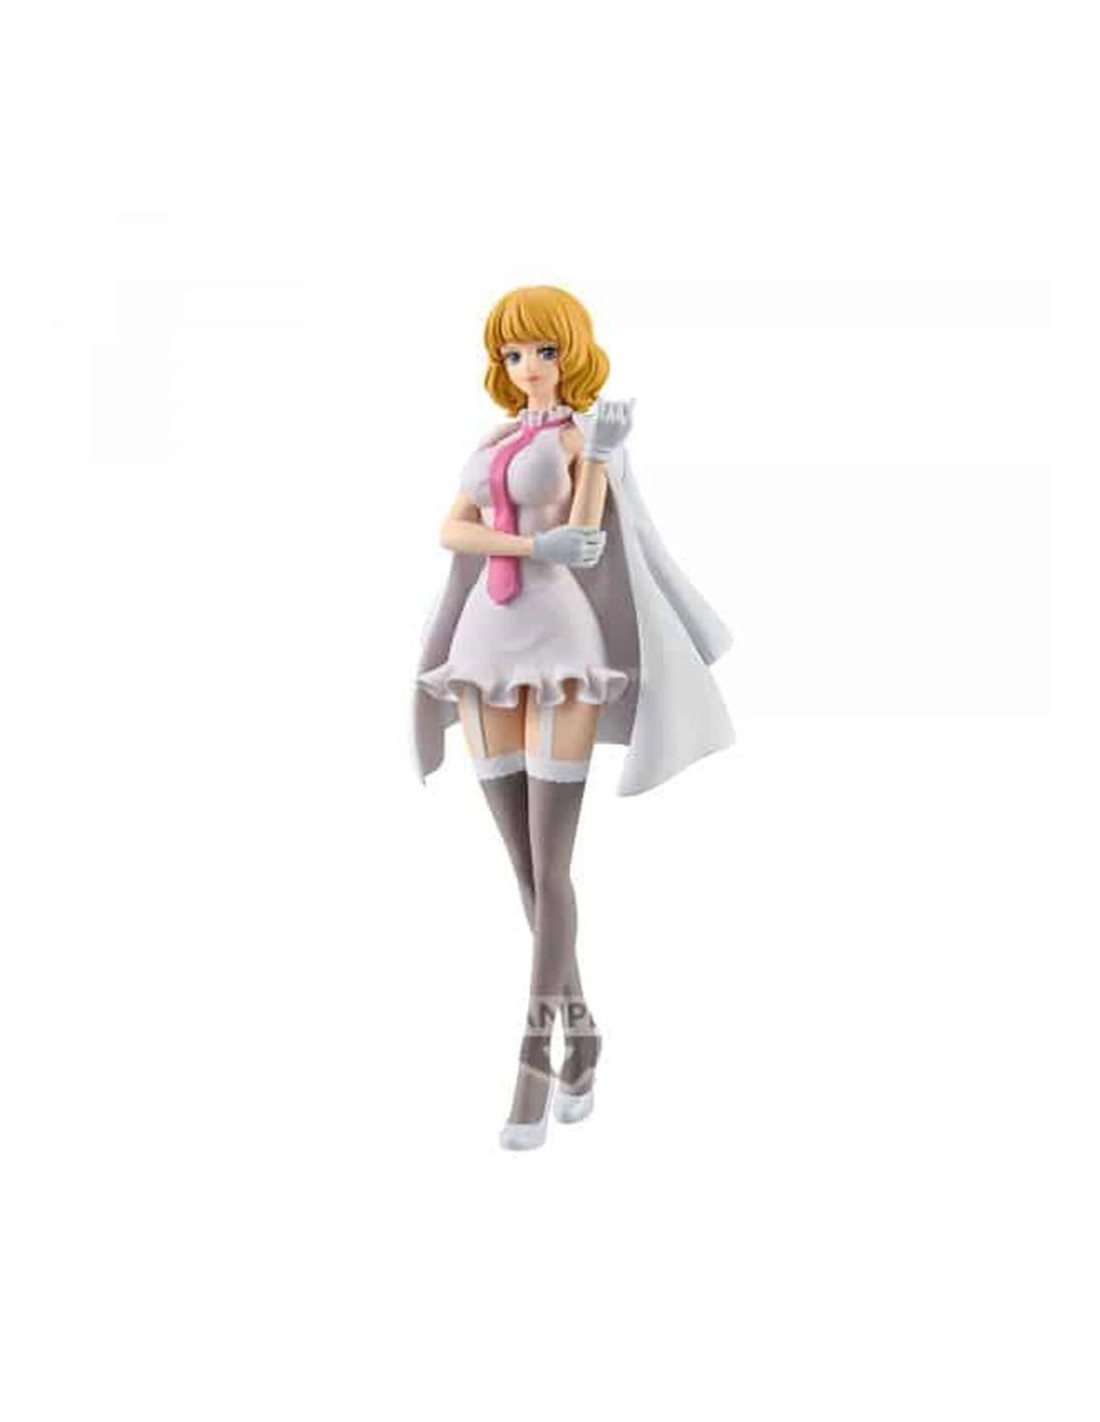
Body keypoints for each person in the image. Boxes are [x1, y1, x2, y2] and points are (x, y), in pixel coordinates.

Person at [413, 286, 733, 1149]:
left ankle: (532, 1057)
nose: (528, 367)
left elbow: (587, 537)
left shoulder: (585, 440)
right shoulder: (491, 443)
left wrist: (602, 458)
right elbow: (452, 530)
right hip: (484, 648)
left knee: (551, 865)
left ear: (572, 353)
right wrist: (526, 545)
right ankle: (583, 1033)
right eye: (514, 353)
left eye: (543, 351)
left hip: (561, 649)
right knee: (524, 867)